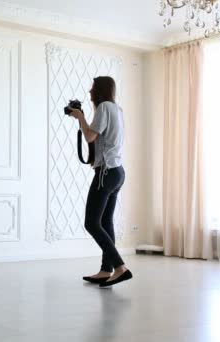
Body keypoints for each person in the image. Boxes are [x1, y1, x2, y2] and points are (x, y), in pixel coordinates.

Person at [67, 76, 133, 287]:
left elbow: (89, 137)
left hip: (106, 173)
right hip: (117, 172)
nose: (89, 91)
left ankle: (120, 267)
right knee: (105, 222)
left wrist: (79, 117)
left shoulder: (103, 107)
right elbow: (100, 138)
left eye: (93, 88)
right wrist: (84, 117)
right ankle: (106, 270)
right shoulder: (116, 109)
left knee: (92, 223)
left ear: (101, 90)